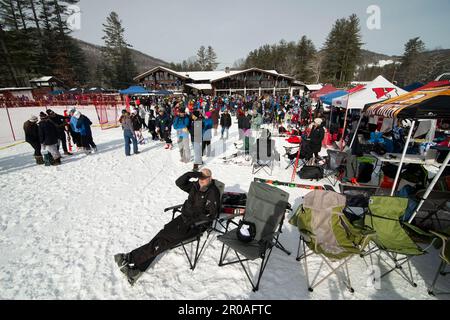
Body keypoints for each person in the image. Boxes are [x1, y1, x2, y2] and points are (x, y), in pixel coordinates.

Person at [114, 169, 221, 285]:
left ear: (210, 178)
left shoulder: (212, 192)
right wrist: (190, 174)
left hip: (194, 226)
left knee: (163, 240)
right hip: (183, 219)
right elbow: (179, 183)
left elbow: (211, 215)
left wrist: (193, 219)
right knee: (161, 236)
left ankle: (130, 258)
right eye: (200, 177)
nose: (201, 180)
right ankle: (136, 270)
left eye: (204, 178)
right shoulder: (195, 186)